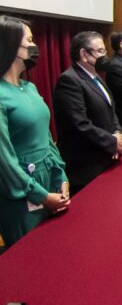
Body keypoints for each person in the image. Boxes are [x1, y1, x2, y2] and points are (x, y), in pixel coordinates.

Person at [0, 16, 70, 246]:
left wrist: (61, 176)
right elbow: (5, 161)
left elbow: (47, 137)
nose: (34, 46)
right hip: (21, 193)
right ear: (10, 45)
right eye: (28, 40)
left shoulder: (28, 87)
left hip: (49, 181)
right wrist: (40, 195)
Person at [52, 31, 122, 194]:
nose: (104, 56)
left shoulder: (97, 77)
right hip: (86, 167)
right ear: (84, 54)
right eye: (100, 51)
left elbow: (111, 110)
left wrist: (118, 134)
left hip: (107, 157)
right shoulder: (69, 81)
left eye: (105, 51)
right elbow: (80, 124)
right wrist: (112, 142)